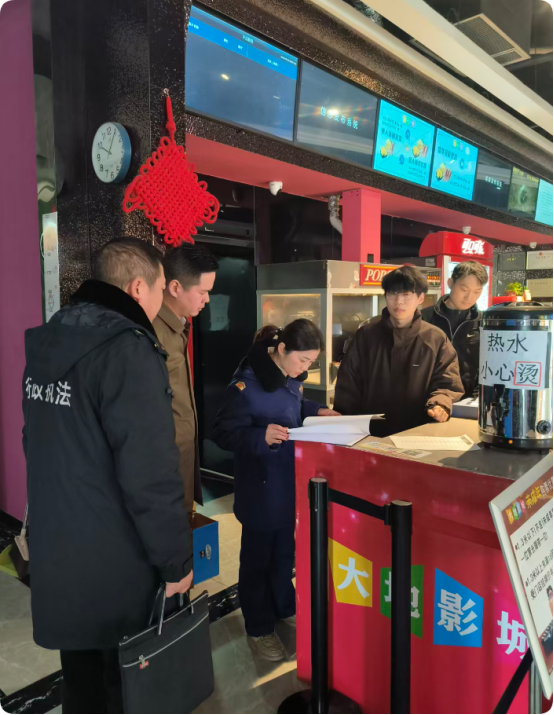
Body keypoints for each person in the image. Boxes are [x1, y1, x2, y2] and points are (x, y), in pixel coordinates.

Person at [22, 238, 193, 715]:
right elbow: (150, 474)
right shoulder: (127, 349)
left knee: (82, 681)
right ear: (138, 288)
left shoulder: (51, 337)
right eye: (160, 287)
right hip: (116, 557)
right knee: (126, 685)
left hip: (60, 546)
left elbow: (33, 442)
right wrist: (175, 563)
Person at [213, 320, 338, 662]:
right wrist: (260, 437)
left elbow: (293, 408)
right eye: (302, 360)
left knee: (284, 553)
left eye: (311, 361)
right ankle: (258, 627)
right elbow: (222, 432)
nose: (305, 368)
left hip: (288, 482)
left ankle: (283, 605)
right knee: (257, 561)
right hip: (261, 488)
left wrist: (317, 410)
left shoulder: (288, 376)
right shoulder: (246, 384)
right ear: (281, 349)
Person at [334, 265, 464, 436]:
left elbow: (447, 384)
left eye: (406, 294)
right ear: (385, 296)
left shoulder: (435, 339)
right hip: (368, 433)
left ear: (420, 298)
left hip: (417, 432)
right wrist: (343, 426)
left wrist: (439, 404)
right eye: (393, 294)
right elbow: (347, 385)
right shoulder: (366, 335)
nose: (399, 301)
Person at [153, 244, 219, 513]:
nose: (207, 300)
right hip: (163, 465)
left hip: (181, 457)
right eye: (202, 292)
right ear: (175, 287)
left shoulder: (179, 324)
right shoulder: (152, 332)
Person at [421, 260, 488, 398]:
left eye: (477, 291)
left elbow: (487, 364)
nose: (469, 297)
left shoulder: (483, 322)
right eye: (464, 290)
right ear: (450, 283)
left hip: (469, 399)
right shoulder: (424, 318)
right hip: (431, 397)